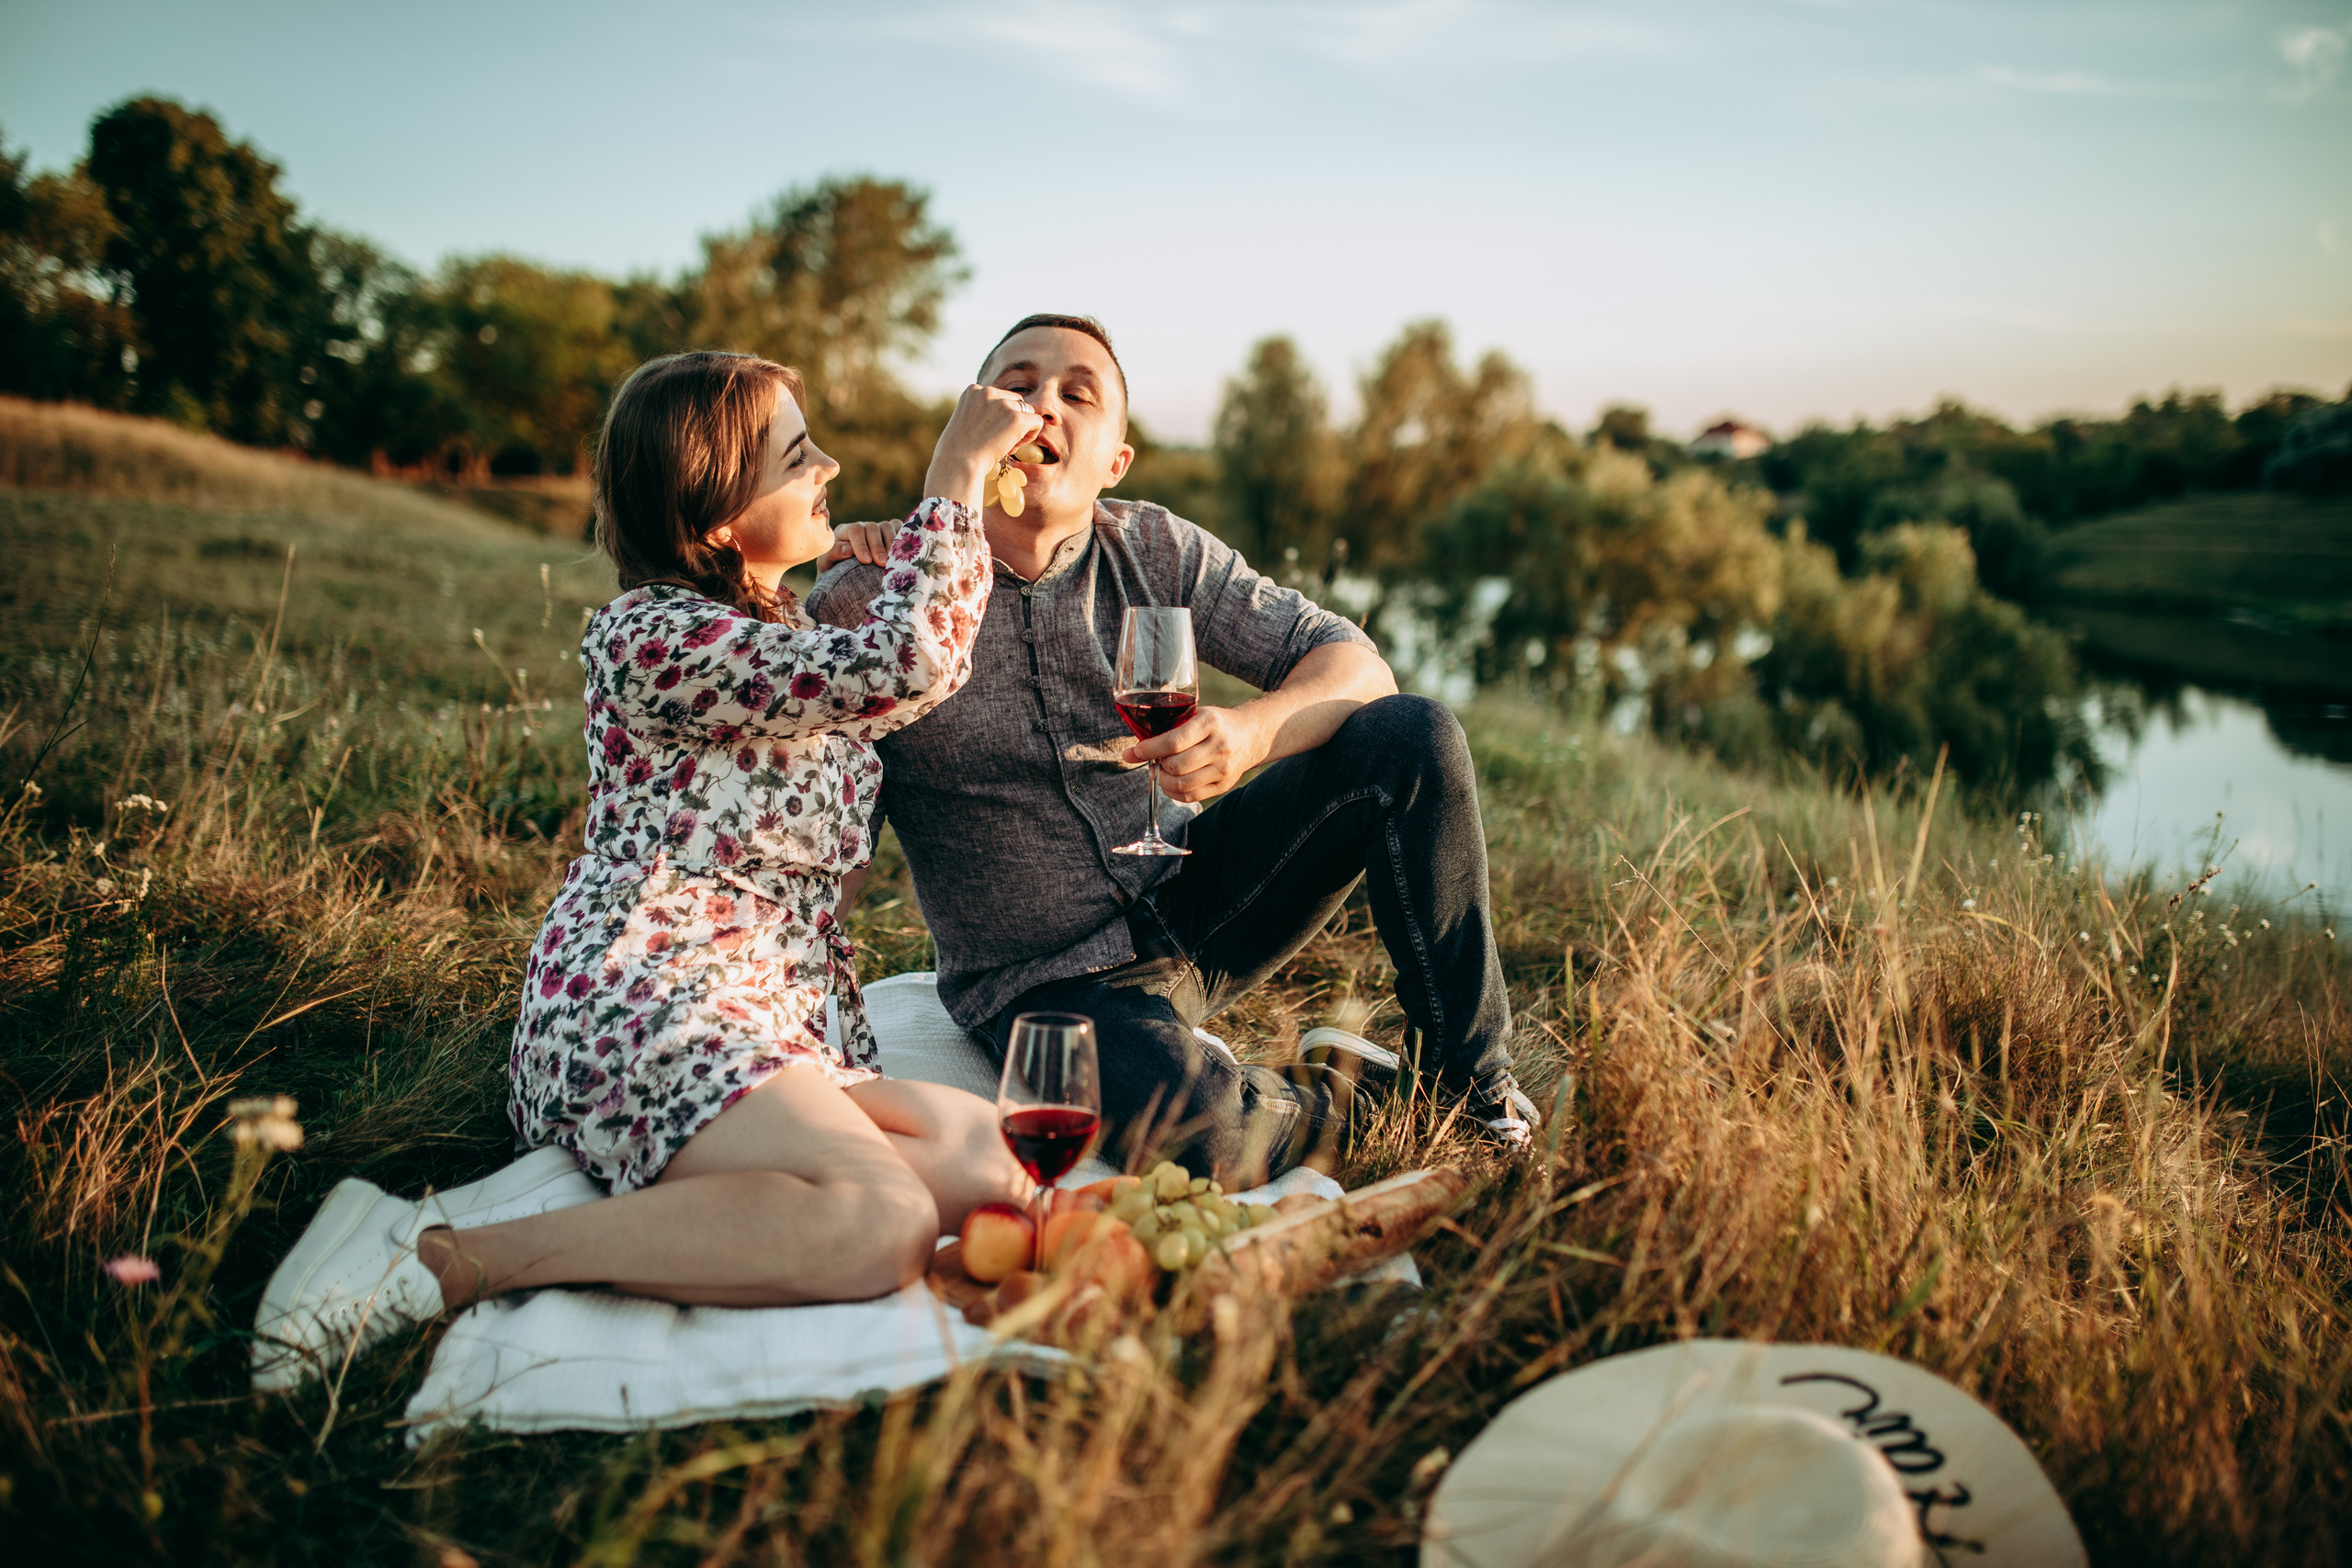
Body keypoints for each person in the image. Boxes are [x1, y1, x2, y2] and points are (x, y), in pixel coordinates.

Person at [252, 352, 1043, 1392]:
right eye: (798, 457)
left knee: (990, 1163)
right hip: (647, 987)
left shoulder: (776, 627)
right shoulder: (650, 637)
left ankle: (730, 1201)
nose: (831, 467)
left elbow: (882, 688)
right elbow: (908, 665)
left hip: (769, 1008)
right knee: (883, 1222)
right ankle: (450, 1256)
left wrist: (871, 555)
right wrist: (952, 477)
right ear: (716, 517)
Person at [813, 314, 1539, 1187]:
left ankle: (1474, 1080)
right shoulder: (873, 604)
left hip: (1198, 895)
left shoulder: (1155, 546)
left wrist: (1250, 732)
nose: (1042, 404)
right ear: (969, 422)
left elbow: (1356, 664)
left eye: (1077, 394)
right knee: (1207, 1137)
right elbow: (827, 840)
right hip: (1042, 984)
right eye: (1017, 384)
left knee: (1411, 737)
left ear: (1114, 461)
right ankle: (1363, 1095)